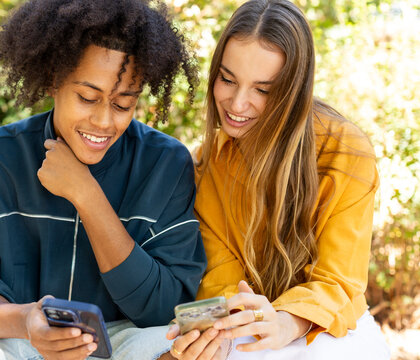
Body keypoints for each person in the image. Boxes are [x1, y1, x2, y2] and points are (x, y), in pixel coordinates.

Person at [0, 0, 207, 359]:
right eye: (88, 97)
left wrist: (87, 195)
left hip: (124, 341)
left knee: (184, 348)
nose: (105, 122)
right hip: (22, 339)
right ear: (52, 80)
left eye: (123, 103)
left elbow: (165, 305)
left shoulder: (165, 164)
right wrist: (26, 320)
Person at [165, 0, 390, 359]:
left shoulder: (345, 152)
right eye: (227, 79)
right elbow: (221, 272)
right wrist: (227, 317)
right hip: (248, 326)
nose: (237, 105)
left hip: (322, 328)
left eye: (263, 90)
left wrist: (287, 321)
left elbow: (338, 281)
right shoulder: (209, 160)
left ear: (293, 92)